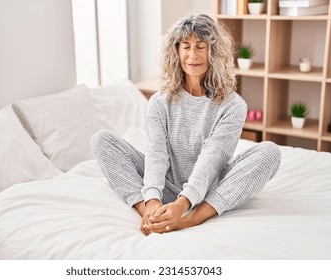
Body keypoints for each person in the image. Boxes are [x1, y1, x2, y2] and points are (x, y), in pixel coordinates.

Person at [91, 13, 281, 236]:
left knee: (269, 152)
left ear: (214, 52)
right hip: (166, 188)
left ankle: (192, 220)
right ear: (176, 51)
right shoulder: (159, 102)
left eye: (201, 47)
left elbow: (212, 157)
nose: (193, 55)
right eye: (186, 46)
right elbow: (156, 153)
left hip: (208, 191)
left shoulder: (233, 105)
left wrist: (183, 206)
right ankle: (150, 216)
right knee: (102, 140)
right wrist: (152, 202)